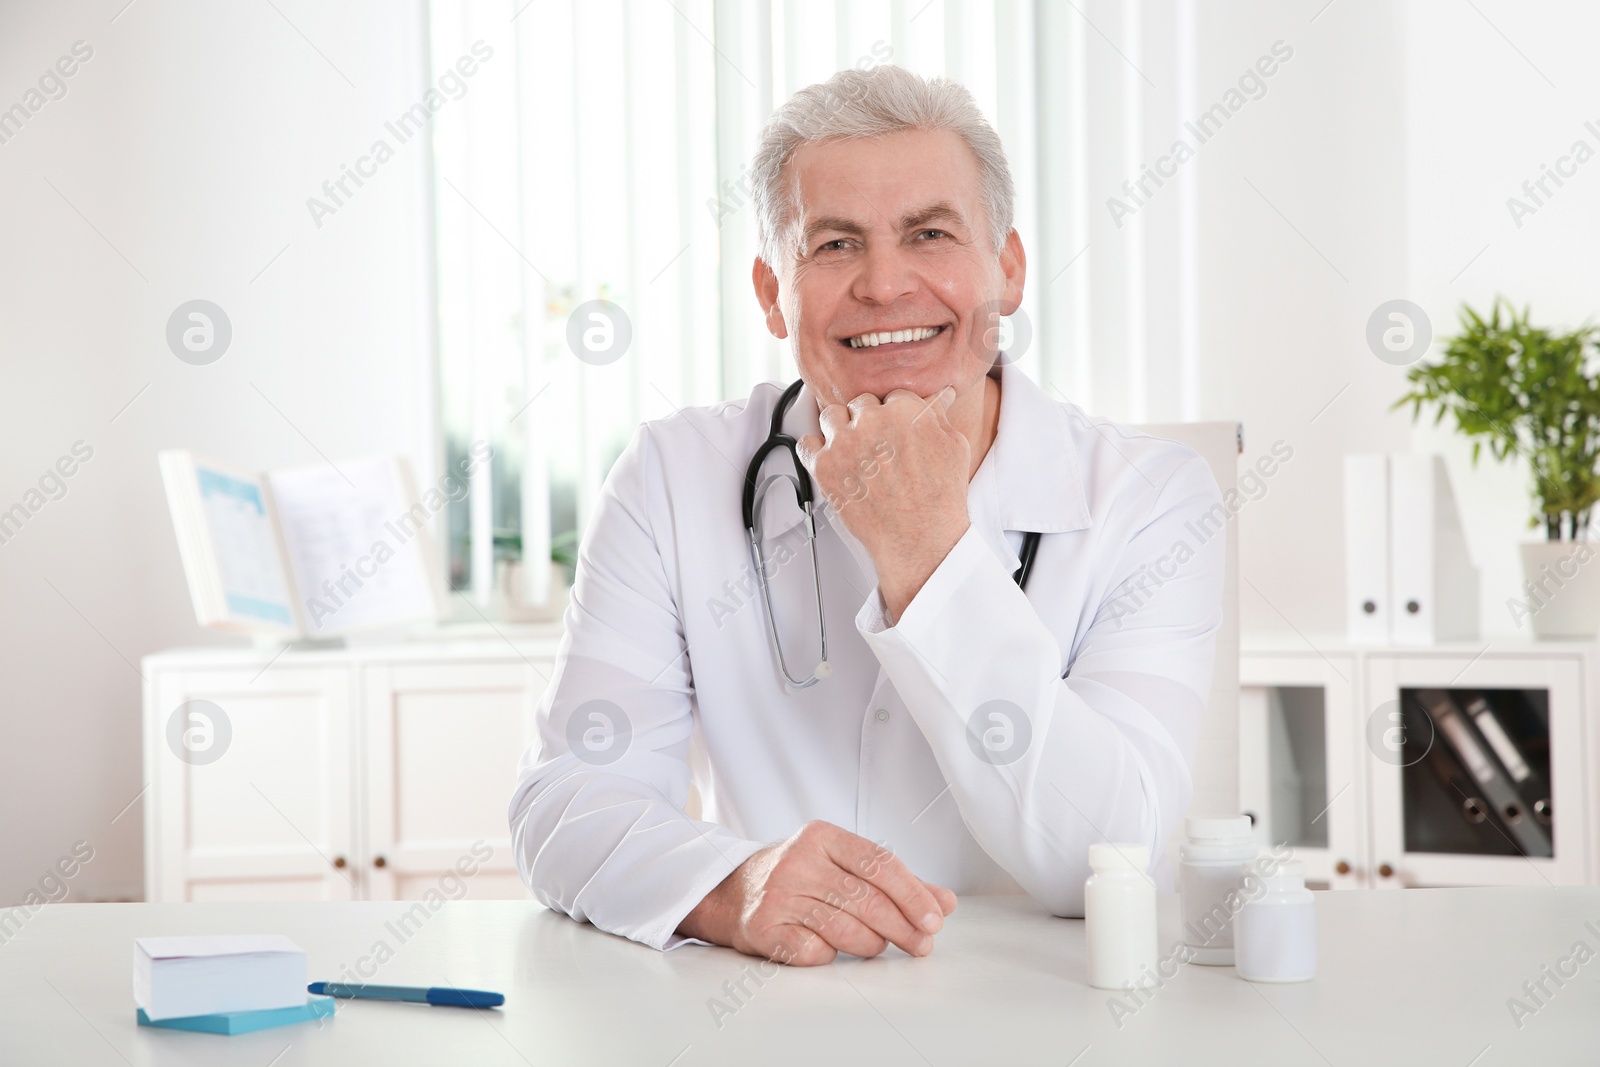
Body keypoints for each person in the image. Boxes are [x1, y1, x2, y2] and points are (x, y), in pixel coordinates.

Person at [509, 64, 1224, 966]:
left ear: (1006, 269)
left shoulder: (1153, 498)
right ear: (773, 293)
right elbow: (567, 801)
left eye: (930, 233)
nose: (885, 285)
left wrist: (930, 553)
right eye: (836, 245)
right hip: (772, 1011)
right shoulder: (672, 476)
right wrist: (735, 886)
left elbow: (1111, 852)